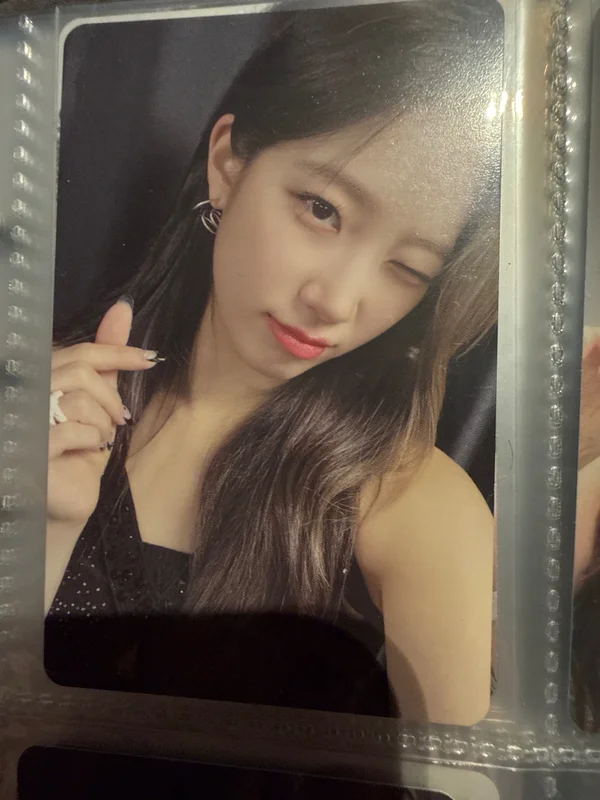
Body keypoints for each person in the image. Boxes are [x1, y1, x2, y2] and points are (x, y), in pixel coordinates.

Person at [44, 0, 503, 725]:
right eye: (322, 209)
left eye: (409, 269)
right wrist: (42, 535)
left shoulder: (416, 510)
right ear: (227, 164)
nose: (336, 302)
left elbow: (456, 776)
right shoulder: (44, 403)